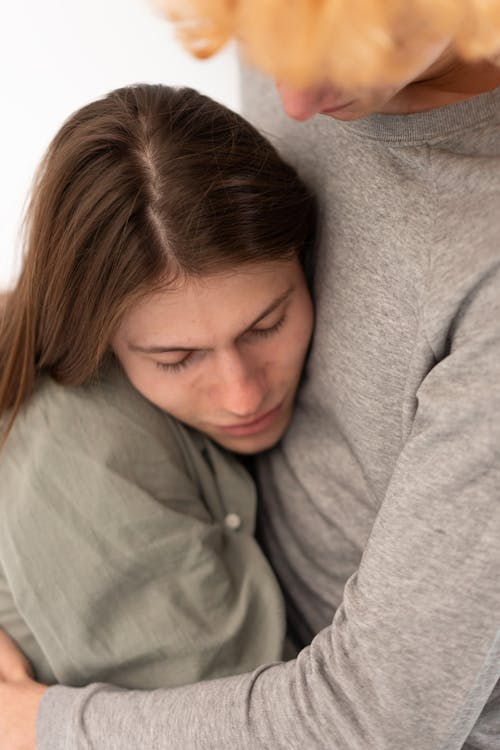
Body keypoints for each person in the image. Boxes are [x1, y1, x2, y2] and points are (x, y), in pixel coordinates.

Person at [1, 1, 500, 749]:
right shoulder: (298, 34)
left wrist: (40, 727)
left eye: (269, 324)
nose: (295, 103)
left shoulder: (483, 270)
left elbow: (377, 722)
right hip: (230, 543)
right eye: (268, 45)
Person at [0, 79, 316, 716]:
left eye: (266, 325)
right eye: (176, 359)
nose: (241, 392)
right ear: (98, 340)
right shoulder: (84, 453)